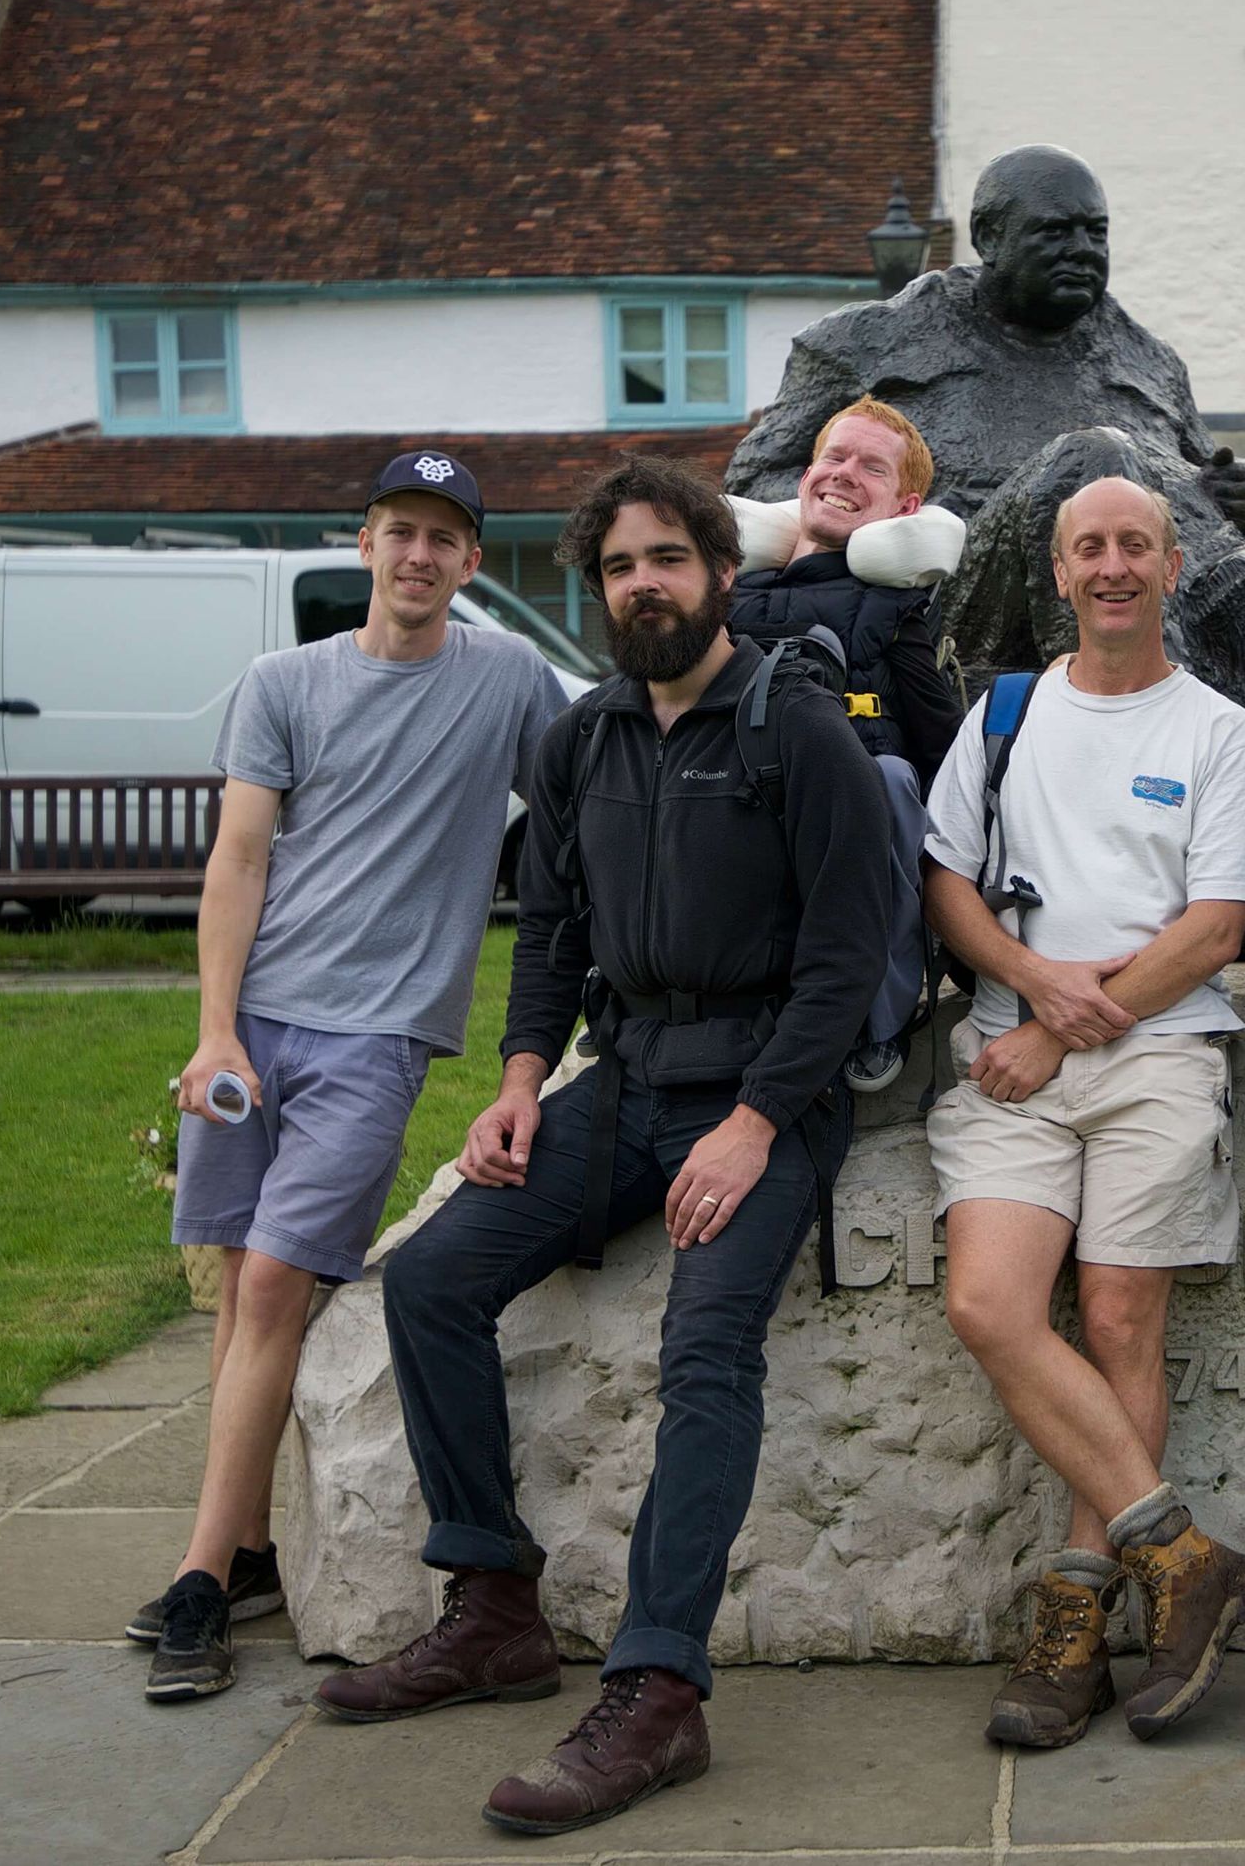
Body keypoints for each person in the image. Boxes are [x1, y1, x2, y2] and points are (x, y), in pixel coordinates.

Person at [307, 455, 891, 1841]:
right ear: (601, 588)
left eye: (666, 561)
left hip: (765, 1096)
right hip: (621, 1086)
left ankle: (656, 1692)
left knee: (706, 1352)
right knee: (433, 1280)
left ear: (721, 576)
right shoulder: (581, 742)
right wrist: (520, 1084)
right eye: (620, 568)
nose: (644, 586)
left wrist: (756, 1125)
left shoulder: (796, 727)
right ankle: (494, 1602)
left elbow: (847, 952)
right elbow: (553, 936)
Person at [143, 450, 567, 1703]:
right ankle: (255, 1550)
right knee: (235, 1293)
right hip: (254, 1030)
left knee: (273, 1283)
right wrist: (214, 1033)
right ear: (365, 545)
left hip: (379, 1041)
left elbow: (589, 796)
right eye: (399, 532)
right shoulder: (283, 684)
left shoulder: (510, 683)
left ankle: (199, 1584)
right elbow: (238, 860)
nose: (420, 556)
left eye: (445, 538)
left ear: (473, 564)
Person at [920, 475, 1245, 1751]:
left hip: (1158, 1056)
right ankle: (1182, 1558)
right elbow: (946, 881)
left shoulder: (1221, 733)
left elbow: (1215, 932)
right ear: (1059, 575)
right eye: (1090, 548)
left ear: (1174, 567)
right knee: (990, 1306)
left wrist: (1050, 1025)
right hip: (1015, 1063)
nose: (1114, 565)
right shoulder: (1004, 713)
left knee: (1121, 1317)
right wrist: (1024, 987)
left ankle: (1074, 1620)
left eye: (1136, 544)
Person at [722, 146, 1245, 712]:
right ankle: (1137, 716)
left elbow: (1207, 509)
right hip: (960, 606)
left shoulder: (1149, 362)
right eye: (1056, 232)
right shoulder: (869, 342)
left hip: (1170, 592)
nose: (1083, 249)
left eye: (1096, 232)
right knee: (1091, 465)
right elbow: (754, 482)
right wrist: (893, 520)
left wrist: (1232, 507)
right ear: (989, 237)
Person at [723, 396, 965, 1093]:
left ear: (904, 505)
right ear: (805, 476)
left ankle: (877, 1018)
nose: (845, 474)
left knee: (890, 776)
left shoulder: (899, 608)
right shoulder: (724, 597)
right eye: (835, 457)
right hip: (736, 807)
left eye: (872, 467)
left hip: (848, 822)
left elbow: (946, 754)